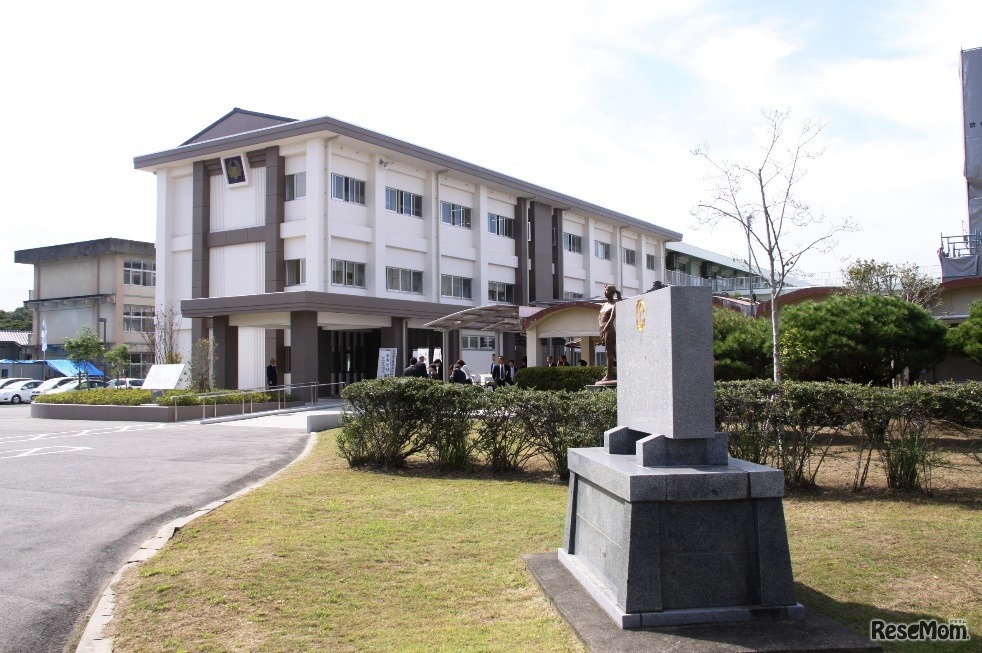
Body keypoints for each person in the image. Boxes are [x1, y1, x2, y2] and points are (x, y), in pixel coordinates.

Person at [598, 284, 622, 383]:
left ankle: (609, 375)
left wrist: (604, 330)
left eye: (607, 290)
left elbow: (611, 319)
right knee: (613, 352)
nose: (605, 292)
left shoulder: (614, 305)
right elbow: (600, 318)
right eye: (605, 290)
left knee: (609, 353)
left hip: (609, 330)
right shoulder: (604, 305)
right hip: (603, 330)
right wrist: (601, 330)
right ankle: (622, 370)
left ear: (612, 293)